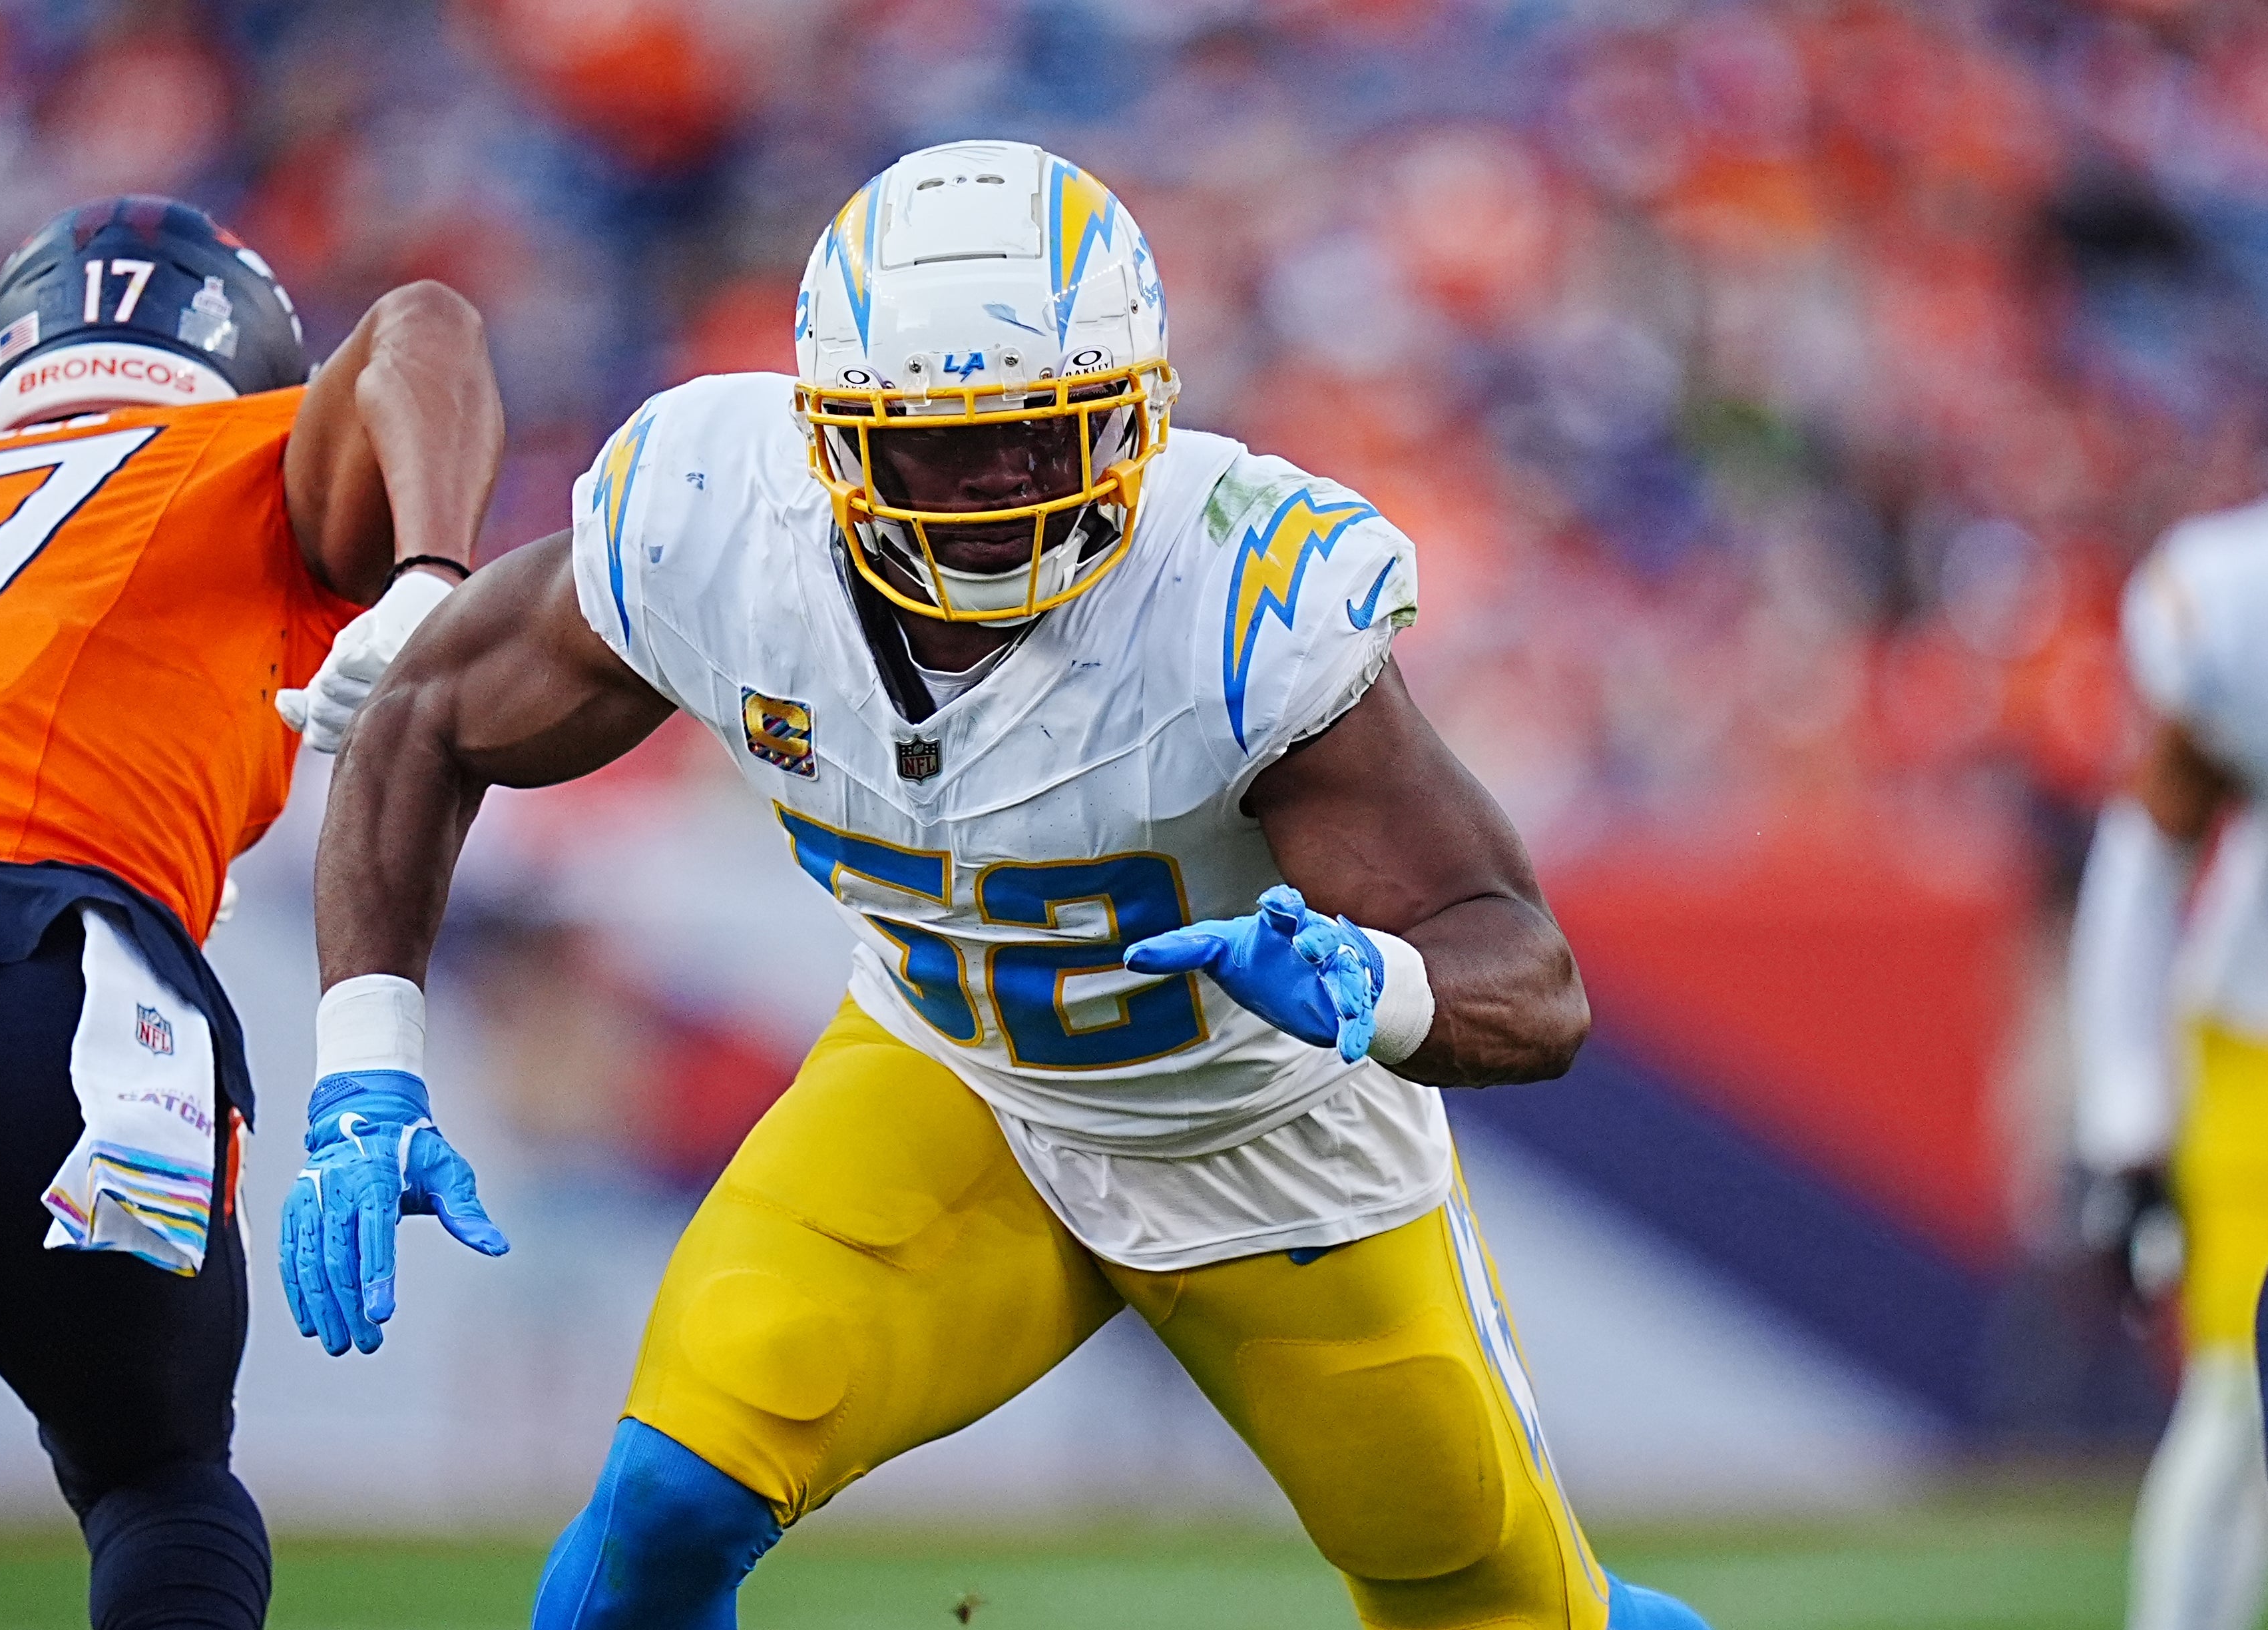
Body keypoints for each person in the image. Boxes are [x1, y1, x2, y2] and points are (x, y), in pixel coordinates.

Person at [287, 141, 1709, 1630]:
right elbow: (426, 717)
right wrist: (365, 1077)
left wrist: (1380, 985)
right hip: (953, 1083)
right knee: (662, 1506)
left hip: (1265, 1145)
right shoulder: (713, 516)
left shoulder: (1236, 590)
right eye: (941, 446)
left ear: (1137, 416)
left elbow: (1528, 974)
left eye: (1050, 434)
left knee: (1509, 1620)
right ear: (836, 441)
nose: (1001, 487)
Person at [0, 195, 504, 1630]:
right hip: (76, 993)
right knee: (157, 1479)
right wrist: (425, 579)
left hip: (51, 957)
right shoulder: (243, 455)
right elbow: (426, 329)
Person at [2070, 501, 2268, 1630]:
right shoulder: (2230, 616)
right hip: (2257, 1035)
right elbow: (2148, 856)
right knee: (2242, 1392)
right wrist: (2126, 1126)